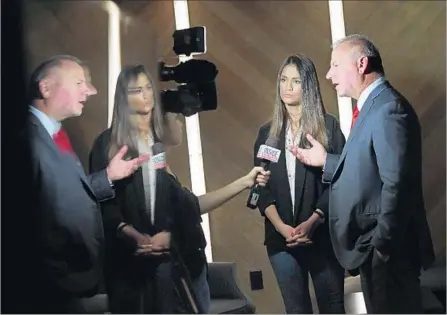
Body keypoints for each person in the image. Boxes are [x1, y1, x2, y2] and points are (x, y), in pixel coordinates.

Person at [292, 34, 435, 313]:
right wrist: (326, 161)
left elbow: (397, 185)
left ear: (361, 64)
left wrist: (382, 244)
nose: (328, 73)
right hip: (376, 251)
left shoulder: (388, 108)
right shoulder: (372, 106)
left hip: (388, 253)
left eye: (335, 65)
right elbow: (367, 170)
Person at [23, 55, 150, 313]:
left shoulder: (53, 134)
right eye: (79, 82)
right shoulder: (24, 138)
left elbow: (64, 194)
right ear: (46, 88)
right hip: (54, 288)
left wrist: (107, 177)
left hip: (78, 283)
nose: (90, 91)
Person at [253, 54, 346, 314]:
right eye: (283, 79)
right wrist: (283, 228)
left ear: (309, 86)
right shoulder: (267, 134)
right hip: (281, 240)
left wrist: (313, 221)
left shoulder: (328, 127)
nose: (287, 86)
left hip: (322, 236)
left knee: (333, 308)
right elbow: (259, 187)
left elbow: (339, 180)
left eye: (295, 81)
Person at [89, 64, 178, 314]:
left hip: (163, 256)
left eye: (149, 88)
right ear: (123, 98)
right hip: (124, 259)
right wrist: (132, 235)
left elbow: (175, 199)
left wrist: (167, 233)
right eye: (137, 90)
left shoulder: (160, 141)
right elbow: (102, 204)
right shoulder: (106, 143)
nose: (146, 95)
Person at [161, 112, 271, 313]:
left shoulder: (164, 167)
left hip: (195, 271)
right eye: (175, 118)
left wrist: (245, 182)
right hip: (181, 277)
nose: (180, 122)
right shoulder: (150, 172)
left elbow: (194, 205)